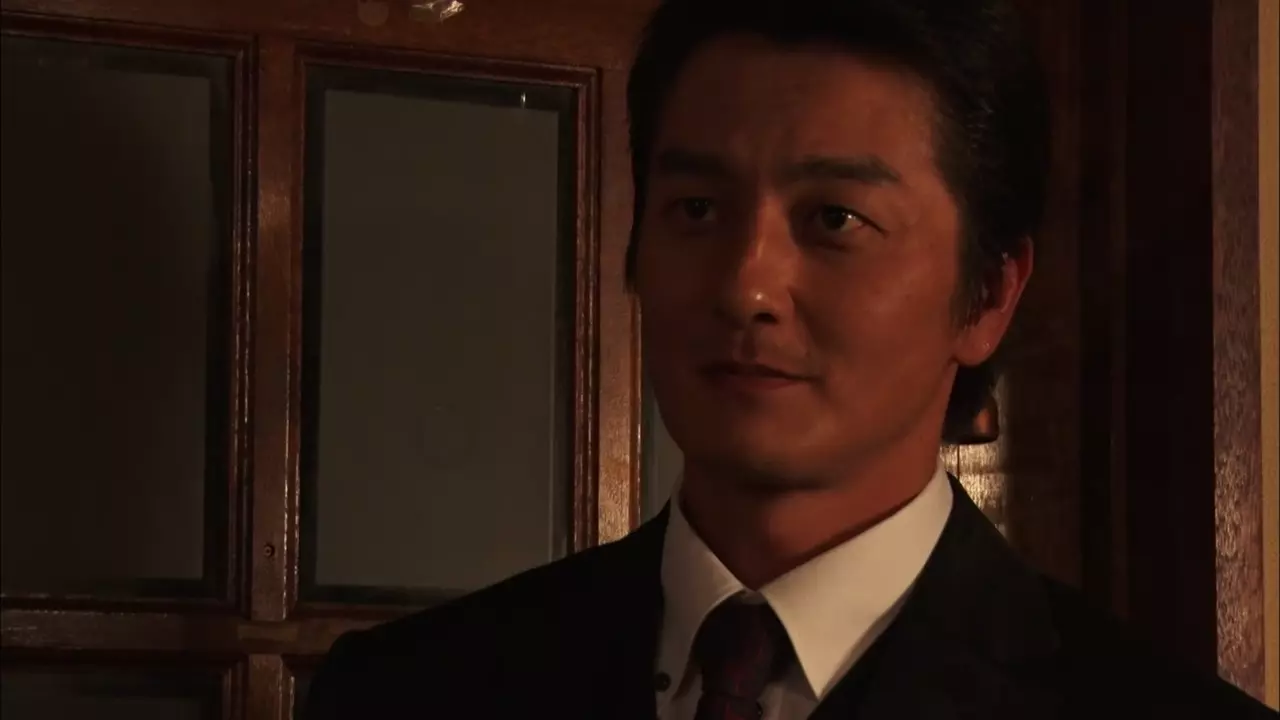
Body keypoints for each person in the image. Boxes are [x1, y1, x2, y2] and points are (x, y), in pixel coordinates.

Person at [302, 0, 1276, 717]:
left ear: (986, 295)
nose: (746, 287)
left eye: (834, 219)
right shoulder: (407, 693)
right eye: (696, 210)